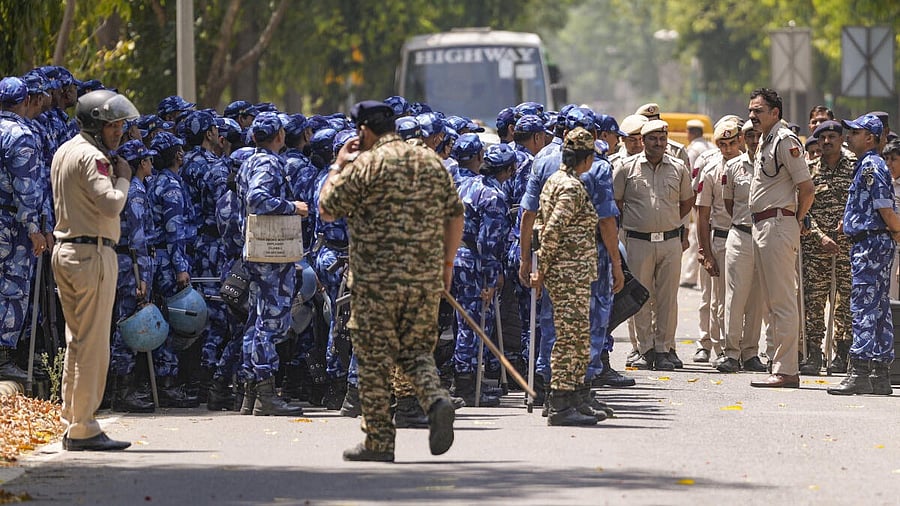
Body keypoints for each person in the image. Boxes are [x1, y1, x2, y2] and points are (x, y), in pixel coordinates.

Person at [319, 100, 459, 462]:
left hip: (375, 283)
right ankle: (435, 399)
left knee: (374, 360)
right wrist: (445, 267)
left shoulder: (365, 164)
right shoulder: (429, 160)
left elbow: (327, 209)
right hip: (424, 278)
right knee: (415, 351)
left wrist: (338, 164)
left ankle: (379, 441)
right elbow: (455, 215)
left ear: (364, 130)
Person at [50, 89, 138, 451]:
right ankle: (84, 426)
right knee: (94, 345)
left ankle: (73, 418)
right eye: (111, 125)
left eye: (119, 124)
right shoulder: (93, 158)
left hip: (67, 251)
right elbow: (110, 203)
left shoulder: (64, 150)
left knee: (77, 341)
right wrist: (124, 178)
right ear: (93, 125)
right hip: (91, 256)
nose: (117, 131)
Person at [530, 127, 601, 426]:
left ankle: (573, 396)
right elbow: (552, 230)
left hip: (571, 273)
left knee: (578, 336)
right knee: (569, 338)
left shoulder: (556, 181)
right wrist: (541, 270)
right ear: (584, 159)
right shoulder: (570, 187)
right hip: (567, 274)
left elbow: (540, 225)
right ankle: (560, 401)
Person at [828, 115, 900, 396]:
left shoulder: (871, 165)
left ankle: (859, 371)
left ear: (869, 137)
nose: (848, 136)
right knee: (879, 308)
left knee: (863, 307)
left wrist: (895, 229)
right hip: (872, 241)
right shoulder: (870, 165)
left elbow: (885, 210)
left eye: (854, 132)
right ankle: (880, 375)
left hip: (870, 245)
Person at [240, 112, 306, 417]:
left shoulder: (249, 161)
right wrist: (292, 207)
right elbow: (257, 198)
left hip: (258, 252)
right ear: (278, 136)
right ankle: (266, 393)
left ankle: (251, 391)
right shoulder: (267, 163)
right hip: (271, 256)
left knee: (256, 321)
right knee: (270, 323)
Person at [746, 88, 814, 389]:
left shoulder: (785, 140)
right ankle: (778, 363)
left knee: (783, 301)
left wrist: (795, 220)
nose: (752, 115)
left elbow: (807, 188)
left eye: (758, 110)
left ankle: (787, 370)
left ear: (775, 112)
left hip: (778, 223)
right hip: (763, 225)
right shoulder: (766, 139)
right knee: (771, 303)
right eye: (751, 110)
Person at [614, 119, 694, 370]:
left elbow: (686, 202)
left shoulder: (678, 167)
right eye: (652, 139)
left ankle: (664, 349)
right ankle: (644, 348)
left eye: (662, 139)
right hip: (638, 241)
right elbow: (617, 202)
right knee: (640, 297)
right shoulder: (627, 168)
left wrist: (670, 224)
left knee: (667, 299)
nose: (658, 144)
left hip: (670, 241)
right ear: (642, 141)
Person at [799, 121, 855, 375]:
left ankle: (842, 353)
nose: (827, 142)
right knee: (815, 302)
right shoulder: (809, 170)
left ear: (841, 138)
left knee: (846, 302)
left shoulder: (854, 167)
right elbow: (804, 211)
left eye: (832, 137)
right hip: (816, 248)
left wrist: (850, 224)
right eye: (822, 138)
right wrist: (820, 237)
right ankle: (814, 353)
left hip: (848, 247)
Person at [0, 77, 44, 383]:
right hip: (11, 225)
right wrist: (34, 228)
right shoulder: (21, 136)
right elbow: (26, 189)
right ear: (26, 102)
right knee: (12, 289)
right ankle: (3, 358)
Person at [107, 140, 156, 413]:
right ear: (140, 164)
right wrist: (142, 276)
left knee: (122, 321)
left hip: (121, 259)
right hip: (131, 263)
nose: (151, 164)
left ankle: (121, 386)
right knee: (128, 323)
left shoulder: (126, 188)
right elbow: (138, 237)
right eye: (147, 159)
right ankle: (123, 389)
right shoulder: (135, 192)